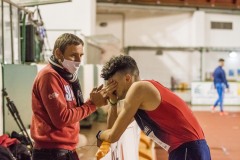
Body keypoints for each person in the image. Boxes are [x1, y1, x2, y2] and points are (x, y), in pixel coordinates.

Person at [96, 55, 211, 160]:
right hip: (188, 149)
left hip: (188, 149)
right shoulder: (140, 97)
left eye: (113, 83)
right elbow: (112, 129)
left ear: (127, 78)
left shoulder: (139, 88)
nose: (110, 88)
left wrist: (99, 134)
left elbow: (113, 135)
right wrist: (113, 101)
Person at [30, 33, 107, 160]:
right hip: (51, 153)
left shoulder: (67, 76)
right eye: (73, 55)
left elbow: (72, 111)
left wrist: (92, 101)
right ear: (58, 53)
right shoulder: (49, 76)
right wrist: (93, 105)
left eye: (81, 55)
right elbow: (61, 119)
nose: (78, 60)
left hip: (66, 150)